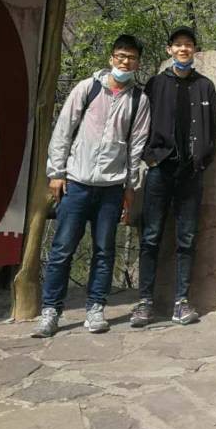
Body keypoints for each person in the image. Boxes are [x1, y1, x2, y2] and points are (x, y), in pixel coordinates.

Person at [32, 35, 149, 338]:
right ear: (111, 57)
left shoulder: (139, 100)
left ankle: (96, 308)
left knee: (104, 251)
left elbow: (136, 146)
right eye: (121, 56)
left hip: (112, 186)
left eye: (131, 58)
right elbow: (63, 129)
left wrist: (130, 186)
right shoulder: (87, 88)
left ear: (138, 63)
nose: (125, 62)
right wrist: (57, 172)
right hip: (77, 182)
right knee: (62, 249)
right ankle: (50, 311)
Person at [130, 26, 216, 327]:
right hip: (160, 169)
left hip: (191, 172)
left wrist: (203, 158)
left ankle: (181, 301)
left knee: (187, 237)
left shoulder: (204, 86)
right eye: (178, 44)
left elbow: (215, 129)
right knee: (151, 235)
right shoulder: (156, 84)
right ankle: (144, 302)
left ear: (194, 50)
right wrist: (150, 158)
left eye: (188, 44)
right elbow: (141, 123)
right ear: (169, 50)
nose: (183, 49)